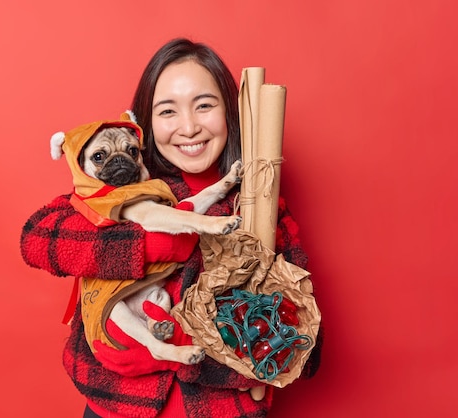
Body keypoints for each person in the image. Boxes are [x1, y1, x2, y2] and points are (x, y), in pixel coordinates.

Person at [20, 38, 321, 418]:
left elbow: (305, 348)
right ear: (144, 122)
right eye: (168, 111)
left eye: (204, 106)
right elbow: (39, 238)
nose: (189, 127)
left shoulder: (262, 205)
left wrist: (201, 347)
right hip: (115, 406)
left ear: (229, 112)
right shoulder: (125, 188)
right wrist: (147, 243)